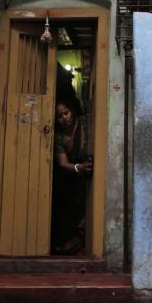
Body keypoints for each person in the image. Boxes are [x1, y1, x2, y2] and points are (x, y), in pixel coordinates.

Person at [51, 101, 92, 255]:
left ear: (72, 111)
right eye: (59, 116)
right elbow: (63, 164)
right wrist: (78, 168)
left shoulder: (85, 123)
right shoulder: (60, 138)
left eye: (66, 113)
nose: (64, 118)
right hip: (71, 179)